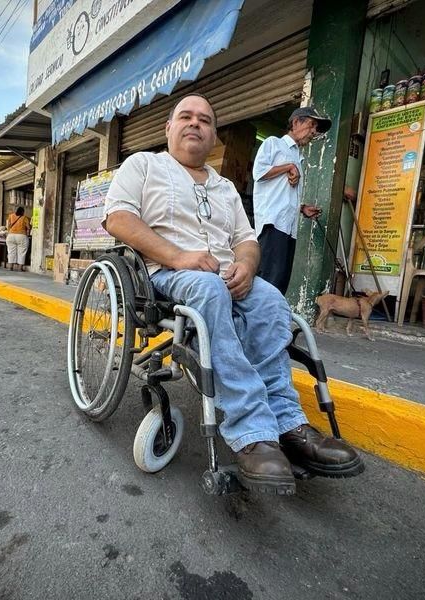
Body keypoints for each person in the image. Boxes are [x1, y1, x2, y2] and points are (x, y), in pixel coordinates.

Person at [103, 94, 362, 494]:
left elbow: (246, 240)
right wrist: (178, 256)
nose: (194, 123)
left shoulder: (224, 187)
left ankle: (290, 425)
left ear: (213, 136)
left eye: (204, 120)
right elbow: (118, 219)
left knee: (271, 300)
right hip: (168, 274)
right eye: (185, 117)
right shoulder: (144, 165)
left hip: (226, 276)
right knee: (208, 288)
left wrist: (247, 264)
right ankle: (252, 432)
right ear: (168, 128)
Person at [252, 106, 332, 294]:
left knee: (280, 282)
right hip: (273, 224)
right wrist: (288, 166)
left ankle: (272, 320)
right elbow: (259, 172)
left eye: (316, 128)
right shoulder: (273, 144)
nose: (313, 132)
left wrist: (302, 208)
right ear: (296, 122)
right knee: (268, 281)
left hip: (289, 228)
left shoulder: (298, 156)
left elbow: (282, 194)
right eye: (312, 125)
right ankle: (258, 321)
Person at [5, 206, 31, 271]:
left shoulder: (11, 216)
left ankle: (10, 267)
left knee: (11, 251)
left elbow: (8, 226)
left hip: (11, 236)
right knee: (22, 252)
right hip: (21, 236)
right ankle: (20, 268)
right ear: (23, 211)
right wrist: (27, 234)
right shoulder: (24, 218)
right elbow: (28, 227)